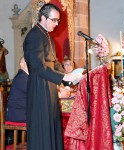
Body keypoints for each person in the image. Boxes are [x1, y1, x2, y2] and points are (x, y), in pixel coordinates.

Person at [23, 3, 75, 150]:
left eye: (58, 21)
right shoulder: (34, 36)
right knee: (42, 128)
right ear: (43, 17)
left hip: (49, 87)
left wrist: (69, 75)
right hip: (39, 87)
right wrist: (62, 78)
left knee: (51, 126)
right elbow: (38, 67)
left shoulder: (48, 37)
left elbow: (55, 63)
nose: (57, 24)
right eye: (54, 20)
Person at [6, 57, 28, 122]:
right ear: (21, 64)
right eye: (27, 62)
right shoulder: (21, 77)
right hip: (17, 114)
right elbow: (33, 92)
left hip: (21, 112)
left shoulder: (25, 77)